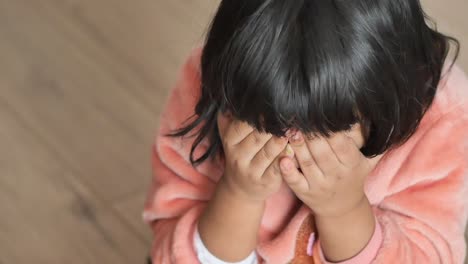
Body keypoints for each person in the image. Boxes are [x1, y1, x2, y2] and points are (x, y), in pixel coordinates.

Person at [143, 0, 468, 263]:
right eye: (268, 124)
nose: (294, 141)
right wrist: (238, 193)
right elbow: (172, 251)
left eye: (330, 126)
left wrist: (344, 209)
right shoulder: (222, 81)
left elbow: (431, 253)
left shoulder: (443, 116)